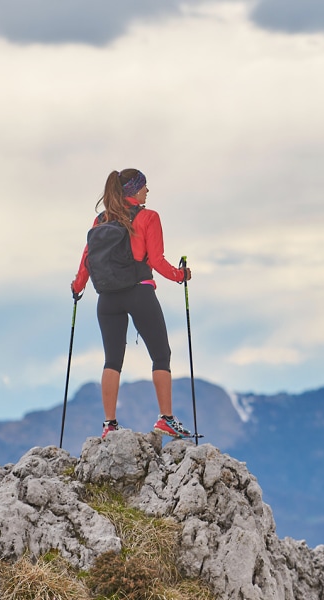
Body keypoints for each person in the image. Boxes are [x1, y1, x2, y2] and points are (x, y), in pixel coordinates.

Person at [71, 168, 195, 439]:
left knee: (112, 360)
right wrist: (180, 275)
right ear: (134, 190)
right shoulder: (149, 217)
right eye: (145, 186)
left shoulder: (100, 220)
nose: (148, 191)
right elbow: (156, 260)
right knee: (161, 355)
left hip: (107, 299)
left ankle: (109, 425)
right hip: (139, 293)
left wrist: (77, 287)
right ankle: (166, 419)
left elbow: (86, 260)